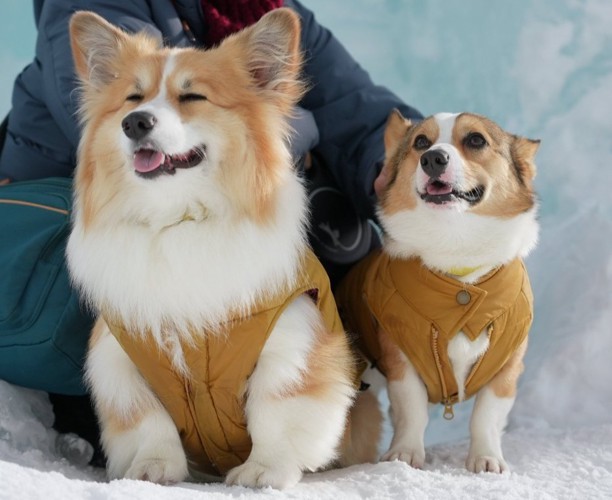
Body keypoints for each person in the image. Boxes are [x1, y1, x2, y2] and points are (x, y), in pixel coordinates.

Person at [0, 0, 423, 465]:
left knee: (342, 235)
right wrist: (274, 121)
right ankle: (131, 426)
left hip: (198, 230)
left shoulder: (262, 8)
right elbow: (134, 110)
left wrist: (402, 167)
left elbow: (352, 103)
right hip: (60, 265)